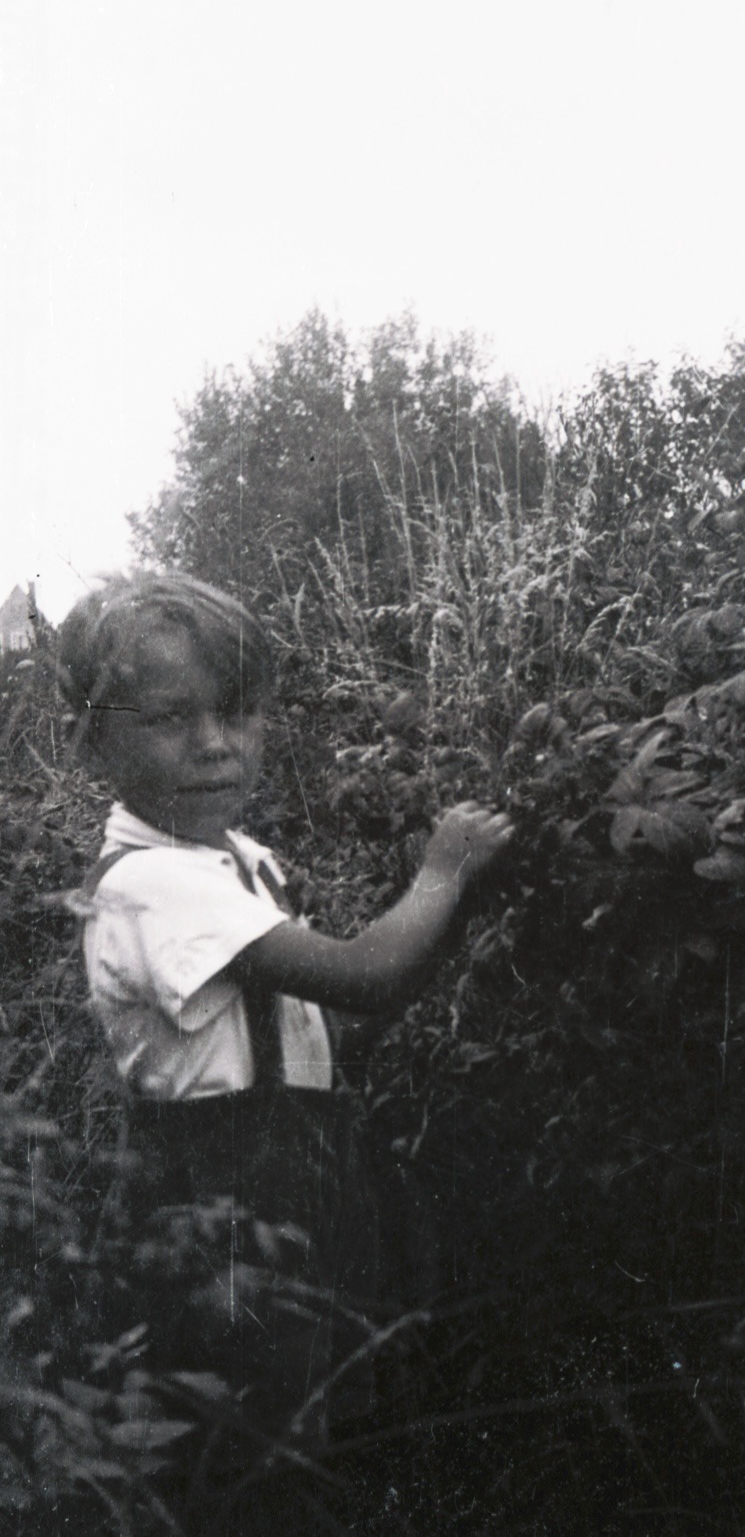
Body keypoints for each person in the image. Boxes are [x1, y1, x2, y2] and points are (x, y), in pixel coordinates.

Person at [57, 571, 513, 1447]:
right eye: (169, 718)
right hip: (223, 1189)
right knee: (251, 1433)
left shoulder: (232, 860)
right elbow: (365, 976)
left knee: (314, 1411)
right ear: (91, 746)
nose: (214, 745)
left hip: (298, 1171)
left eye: (237, 713)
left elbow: (331, 1022)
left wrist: (442, 927)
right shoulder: (153, 884)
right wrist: (442, 874)